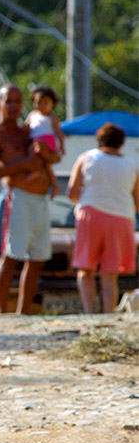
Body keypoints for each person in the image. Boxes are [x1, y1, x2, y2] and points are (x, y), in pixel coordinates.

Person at [0, 84, 59, 314]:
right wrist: (24, 164)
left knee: (37, 258)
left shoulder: (28, 130)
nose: (14, 106)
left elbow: (53, 156)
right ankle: (1, 312)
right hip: (17, 199)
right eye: (9, 101)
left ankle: (23, 312)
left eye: (17, 101)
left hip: (41, 199)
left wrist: (46, 154)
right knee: (11, 256)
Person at [66, 123, 139, 314]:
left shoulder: (86, 157)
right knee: (109, 274)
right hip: (121, 219)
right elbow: (137, 201)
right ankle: (108, 315)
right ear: (120, 143)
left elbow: (72, 191)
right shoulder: (131, 165)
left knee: (86, 269)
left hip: (91, 215)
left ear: (99, 140)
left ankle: (89, 313)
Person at [23, 85, 65, 200]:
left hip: (46, 142)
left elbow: (58, 132)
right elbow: (26, 127)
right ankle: (55, 187)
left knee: (32, 152)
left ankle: (35, 171)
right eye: (39, 102)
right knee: (46, 165)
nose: (41, 106)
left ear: (52, 104)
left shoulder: (52, 118)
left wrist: (61, 146)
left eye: (45, 102)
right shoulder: (32, 115)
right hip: (34, 140)